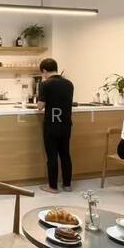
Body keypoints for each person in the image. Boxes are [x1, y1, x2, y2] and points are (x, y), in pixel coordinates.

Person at [37, 58, 74, 193]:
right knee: (65, 154)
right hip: (66, 124)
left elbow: (40, 106)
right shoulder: (69, 84)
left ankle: (52, 187)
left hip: (52, 124)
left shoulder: (45, 84)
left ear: (44, 71)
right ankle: (67, 185)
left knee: (52, 155)